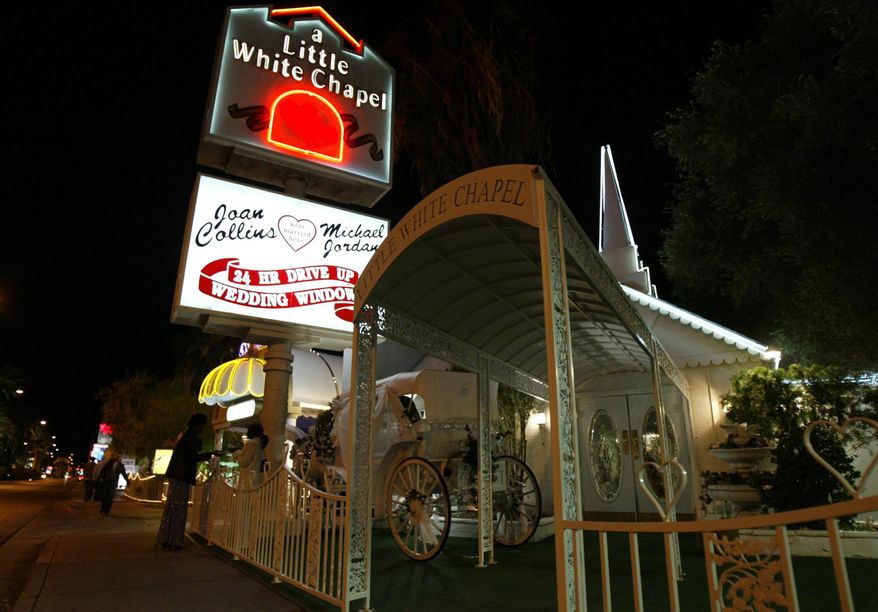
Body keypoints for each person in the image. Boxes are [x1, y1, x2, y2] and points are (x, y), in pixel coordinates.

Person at [156, 413, 220, 549]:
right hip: (182, 476)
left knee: (172, 507)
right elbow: (193, 457)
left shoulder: (184, 435)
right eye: (201, 426)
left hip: (176, 475)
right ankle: (175, 540)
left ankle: (166, 537)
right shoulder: (190, 438)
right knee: (179, 508)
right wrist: (210, 454)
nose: (202, 429)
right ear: (198, 425)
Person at [233, 422, 269, 489]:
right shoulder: (259, 445)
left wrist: (237, 454)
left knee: (246, 497)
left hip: (248, 478)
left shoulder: (251, 445)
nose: (247, 433)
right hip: (255, 476)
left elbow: (244, 462)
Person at [97, 450, 128, 515]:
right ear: (116, 457)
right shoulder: (109, 463)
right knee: (104, 496)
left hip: (113, 482)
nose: (119, 457)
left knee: (110, 497)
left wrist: (127, 481)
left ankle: (107, 511)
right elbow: (103, 470)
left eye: (120, 457)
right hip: (106, 481)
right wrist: (100, 477)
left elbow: (124, 474)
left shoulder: (121, 466)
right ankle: (103, 508)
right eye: (118, 456)